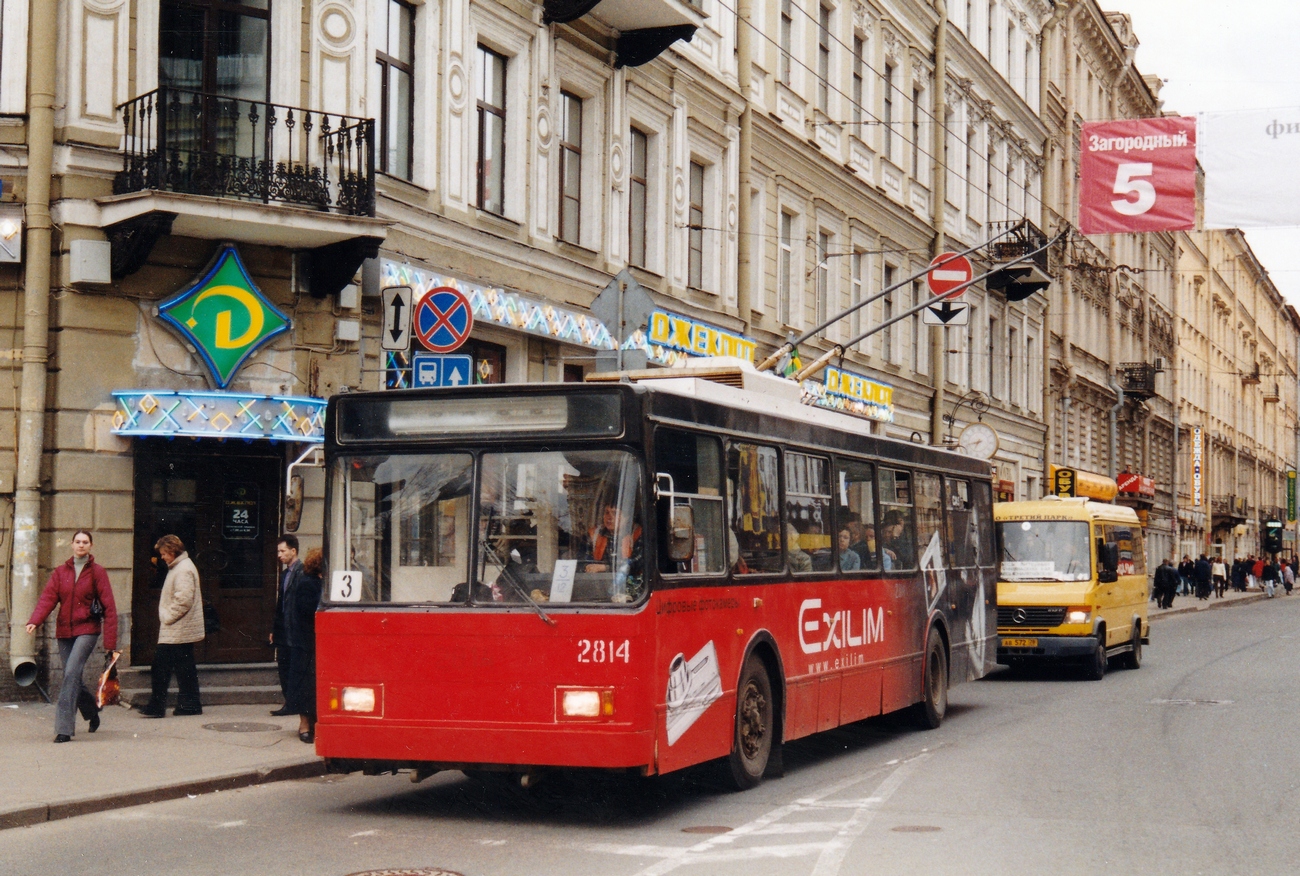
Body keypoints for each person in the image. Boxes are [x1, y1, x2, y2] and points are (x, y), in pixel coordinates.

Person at [25, 529, 118, 743]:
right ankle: (92, 711)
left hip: (87, 630)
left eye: (85, 542)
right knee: (72, 675)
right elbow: (48, 598)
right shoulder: (60, 572)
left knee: (70, 674)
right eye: (78, 541)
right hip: (64, 631)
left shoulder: (97, 572)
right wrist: (34, 621)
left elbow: (110, 608)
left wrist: (110, 643)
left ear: (90, 546)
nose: (81, 545)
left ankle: (63, 729)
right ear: (71, 544)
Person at [140, 535, 204, 718]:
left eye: (163, 554)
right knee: (185, 667)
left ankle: (157, 706)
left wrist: (167, 617)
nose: (162, 557)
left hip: (177, 627)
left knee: (160, 667)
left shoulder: (182, 569)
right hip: (182, 627)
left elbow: (183, 600)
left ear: (172, 551)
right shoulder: (182, 566)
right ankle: (190, 704)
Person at [284, 548, 323, 743]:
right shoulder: (308, 583)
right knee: (305, 686)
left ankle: (314, 723)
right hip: (307, 643)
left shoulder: (321, 582)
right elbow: (308, 611)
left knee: (314, 686)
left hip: (316, 643)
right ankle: (304, 725)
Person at [270, 535, 303, 717]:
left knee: (292, 667)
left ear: (293, 551)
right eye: (278, 551)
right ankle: (289, 702)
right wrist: (274, 629)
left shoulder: (302, 572)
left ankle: (292, 703)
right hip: (283, 628)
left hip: (294, 628)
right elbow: (280, 604)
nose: (279, 555)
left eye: (282, 551)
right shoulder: (284, 574)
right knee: (283, 666)